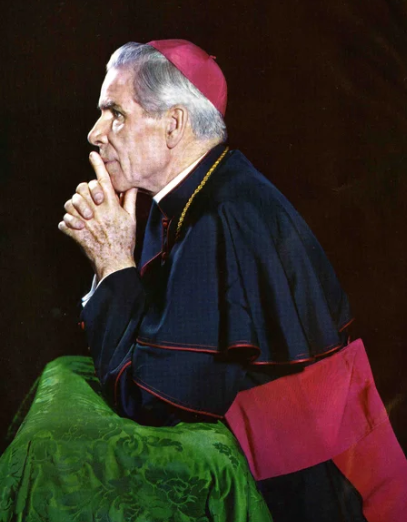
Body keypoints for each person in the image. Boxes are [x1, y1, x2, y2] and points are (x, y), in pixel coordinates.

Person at [59, 40, 407, 521]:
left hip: (308, 491)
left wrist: (113, 262)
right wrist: (111, 264)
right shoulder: (201, 191)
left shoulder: (218, 218)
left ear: (174, 125)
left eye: (115, 114)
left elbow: (151, 402)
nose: (96, 133)